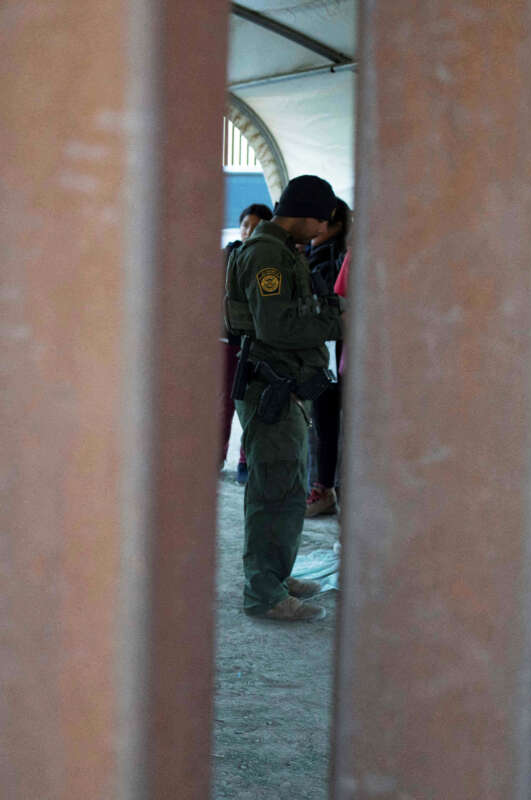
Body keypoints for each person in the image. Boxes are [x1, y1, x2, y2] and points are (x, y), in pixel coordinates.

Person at [224, 175, 343, 622]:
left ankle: (276, 575)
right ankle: (263, 593)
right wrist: (338, 324)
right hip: (269, 389)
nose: (320, 231)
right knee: (273, 491)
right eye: (319, 221)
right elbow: (277, 327)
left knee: (289, 489)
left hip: (285, 389)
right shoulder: (266, 254)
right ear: (303, 213)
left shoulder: (282, 251)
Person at [303, 197, 351, 517]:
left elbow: (339, 304)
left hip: (336, 352)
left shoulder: (337, 256)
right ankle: (323, 487)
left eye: (316, 222)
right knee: (322, 423)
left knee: (332, 423)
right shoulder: (310, 254)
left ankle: (327, 488)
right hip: (331, 354)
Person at [221, 203, 274, 483]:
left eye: (255, 226)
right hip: (227, 341)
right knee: (223, 401)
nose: (248, 231)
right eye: (245, 225)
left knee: (250, 401)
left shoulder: (269, 261)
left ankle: (245, 459)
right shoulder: (227, 255)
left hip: (255, 343)